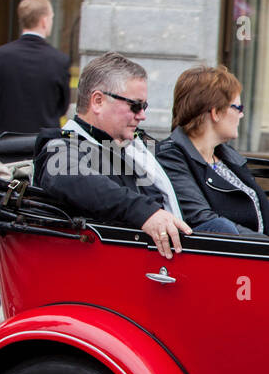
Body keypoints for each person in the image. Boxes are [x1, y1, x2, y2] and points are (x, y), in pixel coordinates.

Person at [34, 52, 191, 259]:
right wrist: (145, 212)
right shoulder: (63, 146)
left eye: (144, 106)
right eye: (135, 105)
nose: (142, 115)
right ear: (98, 101)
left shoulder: (134, 146)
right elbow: (66, 176)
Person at [0, 0, 71, 322]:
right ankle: (35, 299)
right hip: (41, 151)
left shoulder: (0, 56)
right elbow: (61, 108)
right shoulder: (59, 61)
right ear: (45, 20)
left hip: (4, 149)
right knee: (37, 219)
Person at [155, 65, 269, 237]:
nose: (241, 115)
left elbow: (261, 212)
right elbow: (203, 220)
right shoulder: (171, 156)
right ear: (215, 113)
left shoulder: (226, 157)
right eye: (238, 108)